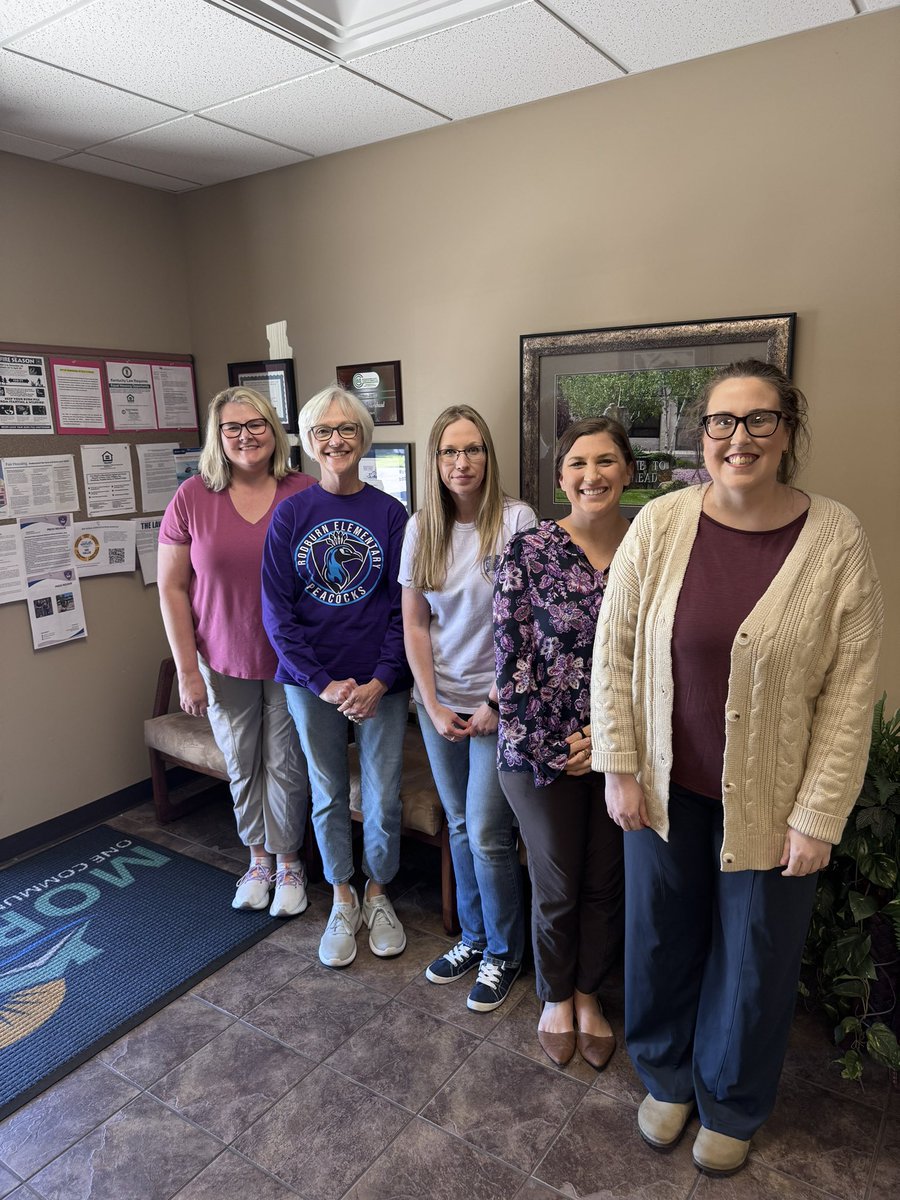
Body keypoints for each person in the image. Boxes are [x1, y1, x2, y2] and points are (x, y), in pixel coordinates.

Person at [591, 360, 883, 1175]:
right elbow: (613, 652)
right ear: (702, 434)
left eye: (758, 420)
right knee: (659, 944)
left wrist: (818, 815)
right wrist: (619, 765)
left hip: (775, 802)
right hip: (660, 788)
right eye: (722, 421)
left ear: (787, 431)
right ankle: (667, 1077)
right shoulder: (658, 525)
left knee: (755, 958)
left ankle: (732, 1101)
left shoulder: (836, 539)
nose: (738, 438)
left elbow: (849, 691)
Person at [494, 418, 632, 1068]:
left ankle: (587, 994)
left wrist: (606, 743)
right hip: (536, 753)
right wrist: (561, 747)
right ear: (560, 479)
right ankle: (552, 994)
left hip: (624, 754)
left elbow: (661, 664)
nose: (592, 474)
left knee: (607, 884)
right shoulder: (529, 551)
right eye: (578, 463)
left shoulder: (651, 549)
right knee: (558, 884)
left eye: (606, 461)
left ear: (628, 472)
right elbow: (511, 664)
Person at [262, 385, 411, 969]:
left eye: (346, 429)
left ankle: (378, 892)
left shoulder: (390, 514)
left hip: (381, 685)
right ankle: (342, 895)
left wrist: (378, 680)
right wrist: (323, 683)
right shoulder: (292, 514)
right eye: (323, 431)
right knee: (326, 794)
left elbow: (406, 608)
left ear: (362, 438)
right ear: (310, 442)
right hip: (311, 684)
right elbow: (277, 611)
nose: (335, 440)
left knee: (383, 796)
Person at [158, 386, 315, 917]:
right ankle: (258, 860)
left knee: (287, 764)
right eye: (232, 428)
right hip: (223, 660)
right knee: (243, 763)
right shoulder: (192, 498)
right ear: (217, 437)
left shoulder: (305, 491)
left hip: (294, 661)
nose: (246, 436)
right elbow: (172, 588)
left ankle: (290, 862)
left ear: (274, 431)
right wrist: (187, 671)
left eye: (257, 424)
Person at [400, 405, 535, 1012]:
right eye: (450, 451)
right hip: (441, 705)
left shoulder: (515, 521)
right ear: (436, 461)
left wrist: (495, 702)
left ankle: (505, 951)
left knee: (486, 831)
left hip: (496, 706)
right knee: (457, 825)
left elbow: (529, 624)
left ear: (489, 455)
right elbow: (415, 624)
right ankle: (476, 940)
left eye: (473, 449)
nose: (462, 462)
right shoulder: (420, 527)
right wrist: (430, 705)